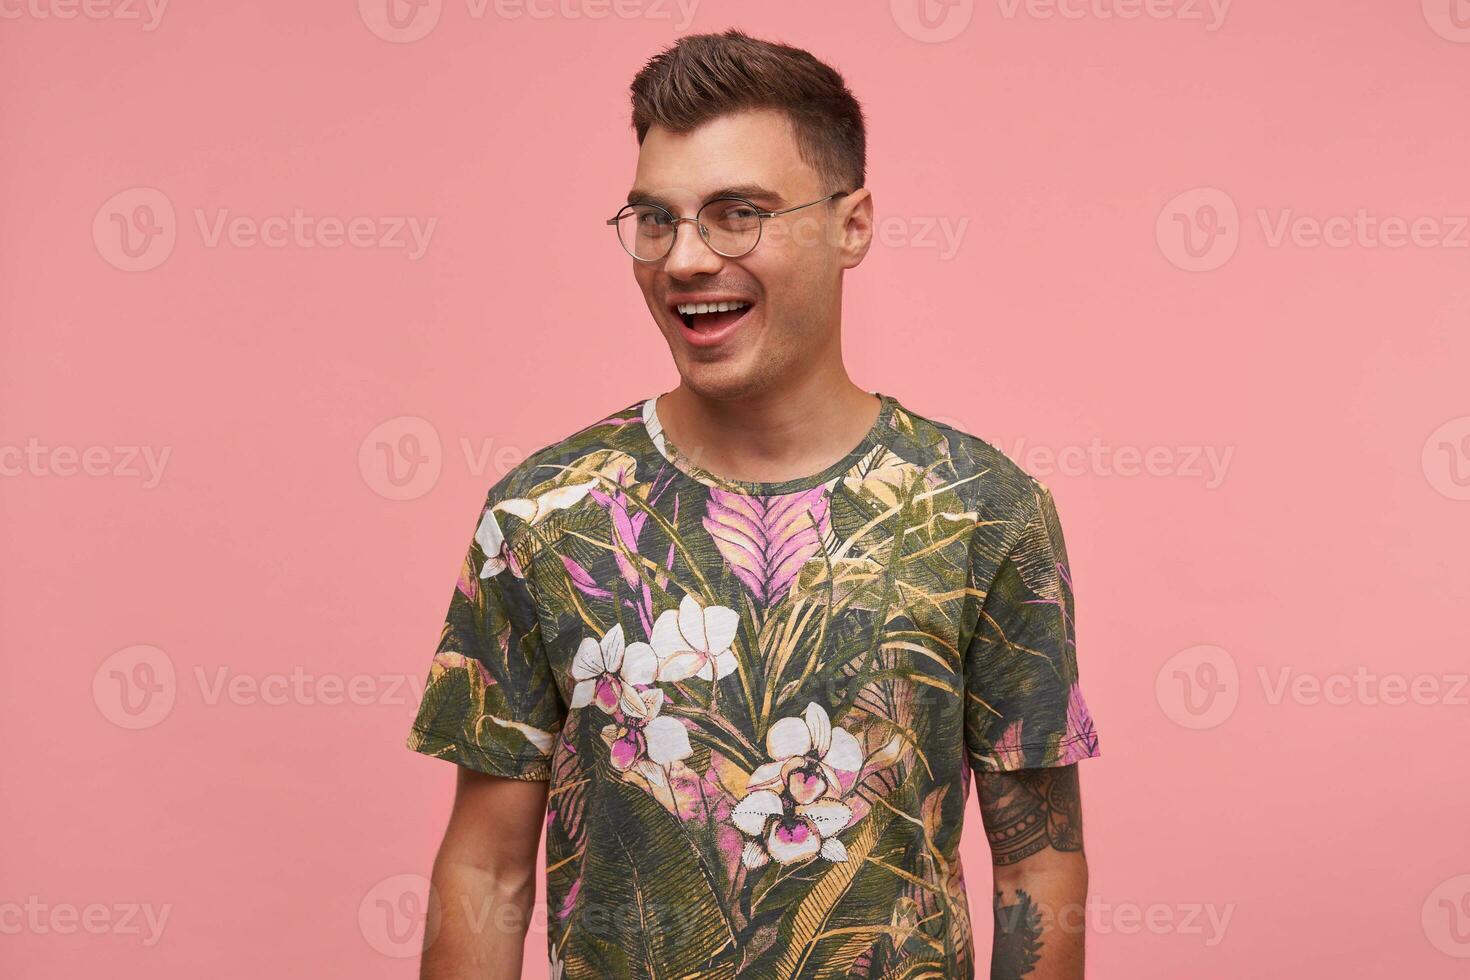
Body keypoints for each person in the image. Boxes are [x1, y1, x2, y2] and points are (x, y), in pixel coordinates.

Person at [406, 28, 1100, 980]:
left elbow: (1035, 861)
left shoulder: (982, 510)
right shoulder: (542, 517)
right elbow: (485, 868)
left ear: (851, 225)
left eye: (738, 213)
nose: (686, 258)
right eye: (656, 219)